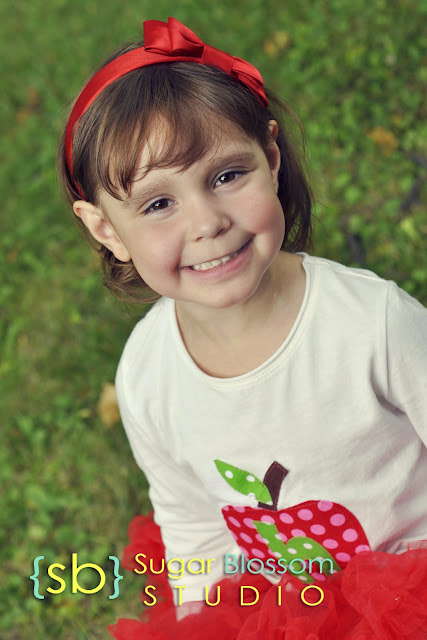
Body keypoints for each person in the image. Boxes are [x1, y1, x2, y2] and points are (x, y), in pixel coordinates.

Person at [58, 16, 427, 639]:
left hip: (406, 591)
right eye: (159, 203)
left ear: (272, 160)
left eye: (227, 176)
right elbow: (194, 525)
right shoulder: (147, 373)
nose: (207, 222)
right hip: (284, 606)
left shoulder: (373, 324)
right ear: (106, 230)